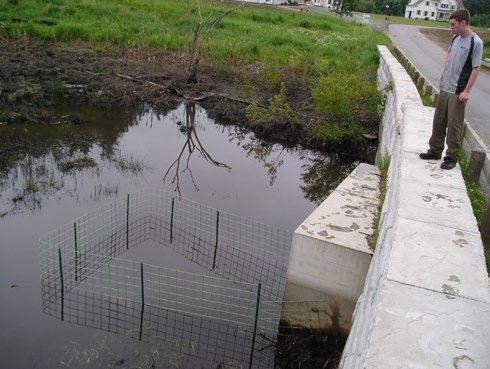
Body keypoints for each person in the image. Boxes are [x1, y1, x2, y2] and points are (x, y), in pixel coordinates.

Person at [419, 9, 483, 170]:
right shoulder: (455, 38)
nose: (451, 27)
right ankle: (434, 150)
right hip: (445, 87)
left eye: (453, 24)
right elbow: (448, 55)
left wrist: (466, 91)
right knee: (438, 121)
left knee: (454, 125)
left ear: (463, 23)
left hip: (458, 91)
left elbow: (475, 69)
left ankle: (451, 157)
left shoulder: (475, 42)